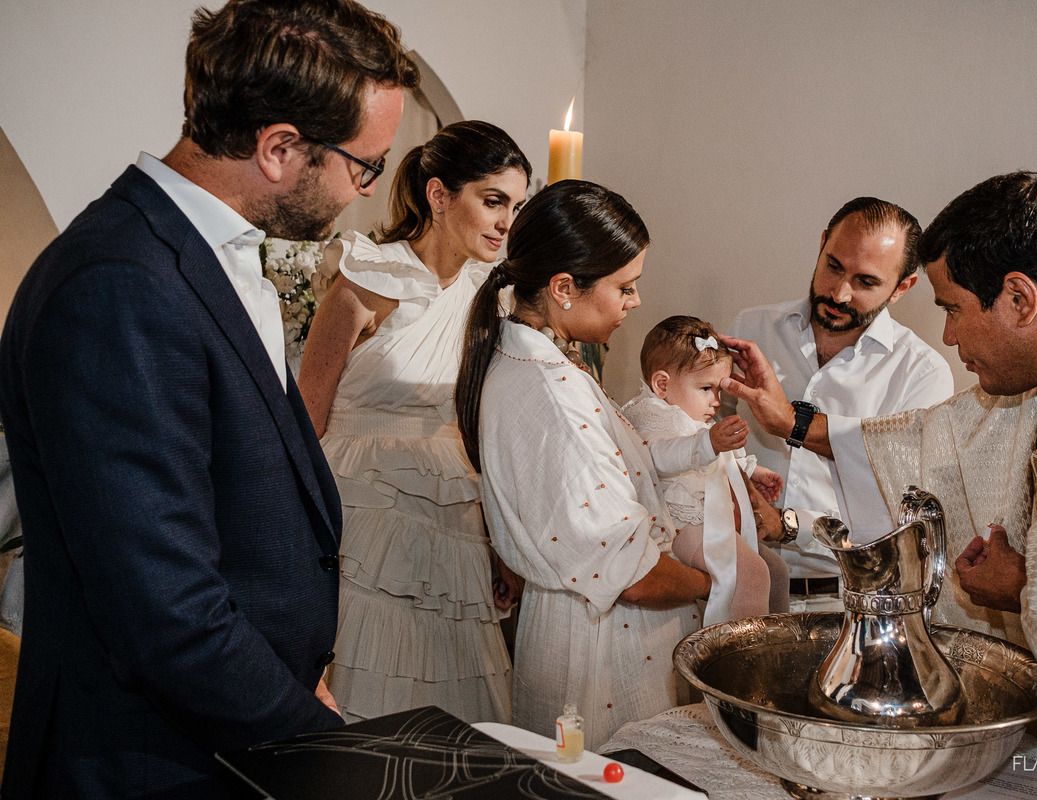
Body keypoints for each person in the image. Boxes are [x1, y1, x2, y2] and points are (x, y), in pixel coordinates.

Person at [0, 2, 419, 797]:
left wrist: (295, 672)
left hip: (221, 735)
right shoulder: (119, 284)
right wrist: (317, 742)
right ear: (279, 148)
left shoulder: (204, 253)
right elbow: (164, 614)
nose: (363, 191)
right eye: (364, 166)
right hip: (145, 760)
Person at [723, 172, 1037, 799]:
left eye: (952, 309)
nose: (948, 336)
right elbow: (929, 438)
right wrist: (793, 424)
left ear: (1020, 298)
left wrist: (1024, 587)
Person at [455, 180, 711, 749]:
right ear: (564, 287)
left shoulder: (524, 359)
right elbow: (629, 572)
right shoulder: (551, 392)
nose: (635, 301)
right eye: (625, 287)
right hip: (603, 651)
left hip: (578, 627)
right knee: (608, 775)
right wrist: (713, 584)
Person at [297, 121, 531, 724]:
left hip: (455, 522)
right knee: (363, 687)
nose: (507, 222)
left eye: (516, 206)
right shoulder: (367, 279)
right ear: (438, 195)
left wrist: (501, 547)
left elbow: (483, 431)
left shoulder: (490, 298)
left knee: (454, 700)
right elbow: (302, 423)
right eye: (494, 200)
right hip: (360, 519)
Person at [721, 198, 953, 608]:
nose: (840, 293)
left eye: (866, 282)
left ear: (903, 287)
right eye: (833, 266)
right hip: (737, 590)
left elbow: (902, 517)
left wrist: (789, 526)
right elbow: (704, 437)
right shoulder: (752, 328)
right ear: (822, 243)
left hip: (849, 605)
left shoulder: (922, 374)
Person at [620, 315, 789, 623]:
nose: (716, 401)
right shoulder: (650, 414)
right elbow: (657, 455)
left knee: (775, 570)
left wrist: (753, 471)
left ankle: (778, 639)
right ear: (661, 385)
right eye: (706, 388)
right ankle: (746, 648)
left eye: (719, 390)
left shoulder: (691, 416)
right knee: (752, 575)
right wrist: (708, 443)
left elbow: (722, 458)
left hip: (714, 519)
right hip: (681, 523)